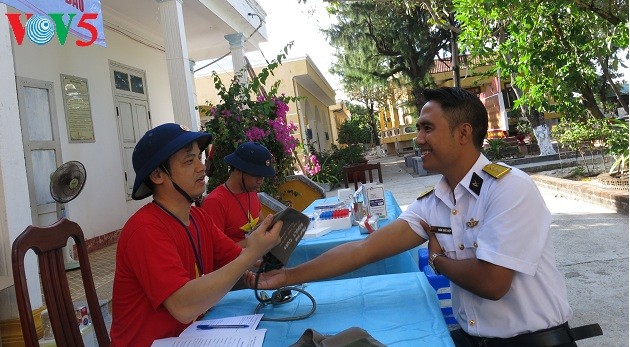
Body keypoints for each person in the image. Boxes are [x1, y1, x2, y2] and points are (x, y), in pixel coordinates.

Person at [247, 87, 590, 347]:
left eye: (428, 129)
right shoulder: (434, 202)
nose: (419, 139)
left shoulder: (509, 189)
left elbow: (493, 283)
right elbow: (361, 251)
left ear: (463, 133)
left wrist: (438, 261)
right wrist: (285, 277)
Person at [110, 123, 282, 346]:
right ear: (157, 175)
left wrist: (269, 251)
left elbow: (241, 256)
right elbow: (183, 307)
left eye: (199, 158)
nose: (201, 168)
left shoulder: (198, 218)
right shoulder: (145, 229)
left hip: (193, 335)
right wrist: (251, 255)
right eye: (189, 161)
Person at [201, 142, 275, 247]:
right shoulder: (215, 202)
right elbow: (215, 250)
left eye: (262, 176)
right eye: (256, 175)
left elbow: (261, 225)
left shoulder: (251, 192)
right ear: (238, 169)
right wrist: (253, 241)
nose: (260, 181)